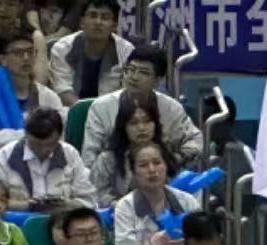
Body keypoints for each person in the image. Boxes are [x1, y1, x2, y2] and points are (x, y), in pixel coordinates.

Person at [79, 45, 201, 174]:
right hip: (114, 177)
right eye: (131, 70)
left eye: (143, 72)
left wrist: (173, 160)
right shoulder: (101, 107)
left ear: (157, 80)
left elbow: (197, 141)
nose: (134, 77)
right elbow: (89, 158)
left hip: (160, 175)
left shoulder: (172, 108)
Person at [0, 106, 94, 213]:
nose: (42, 150)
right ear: (26, 135)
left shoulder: (70, 154)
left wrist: (64, 205)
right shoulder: (4, 157)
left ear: (59, 137)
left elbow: (88, 200)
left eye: (49, 144)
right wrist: (24, 205)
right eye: (36, 144)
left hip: (62, 219)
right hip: (17, 220)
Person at [112, 141, 196, 245]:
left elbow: (203, 243)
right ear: (133, 172)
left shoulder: (187, 201)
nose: (152, 170)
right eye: (143, 165)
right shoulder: (125, 207)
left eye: (157, 163)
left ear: (166, 166)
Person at [0, 32, 61, 156]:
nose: (26, 57)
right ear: (3, 60)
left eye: (30, 52)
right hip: (1, 162)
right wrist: (34, 133)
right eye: (18, 53)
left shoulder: (49, 97)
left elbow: (58, 136)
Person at [87, 88, 169, 208]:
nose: (141, 128)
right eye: (134, 123)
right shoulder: (107, 159)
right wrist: (120, 205)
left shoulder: (165, 153)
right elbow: (95, 196)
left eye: (147, 121)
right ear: (123, 127)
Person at [47, 0, 129, 103]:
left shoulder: (126, 51)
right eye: (93, 16)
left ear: (114, 25)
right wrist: (86, 111)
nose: (98, 22)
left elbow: (126, 92)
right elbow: (63, 91)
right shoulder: (62, 48)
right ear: (82, 22)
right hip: (71, 109)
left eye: (105, 18)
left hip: (111, 108)